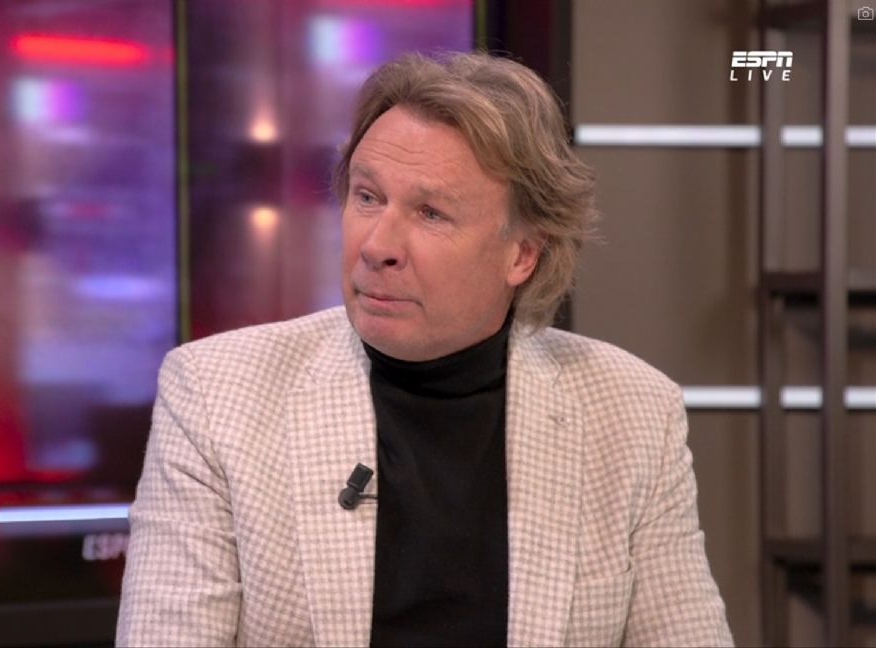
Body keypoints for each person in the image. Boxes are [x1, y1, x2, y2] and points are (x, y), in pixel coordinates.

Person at [117, 51, 733, 647]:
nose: (377, 246)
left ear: (523, 254)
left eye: (430, 213)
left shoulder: (631, 412)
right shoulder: (216, 394)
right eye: (367, 197)